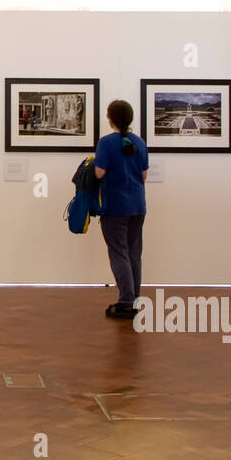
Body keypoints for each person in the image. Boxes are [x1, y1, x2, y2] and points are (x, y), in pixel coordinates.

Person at [94, 99, 150, 319]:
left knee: (119, 253)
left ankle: (126, 302)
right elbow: (144, 175)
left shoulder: (106, 143)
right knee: (134, 252)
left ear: (110, 119)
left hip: (116, 206)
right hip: (138, 205)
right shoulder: (139, 141)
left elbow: (99, 173)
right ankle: (133, 300)